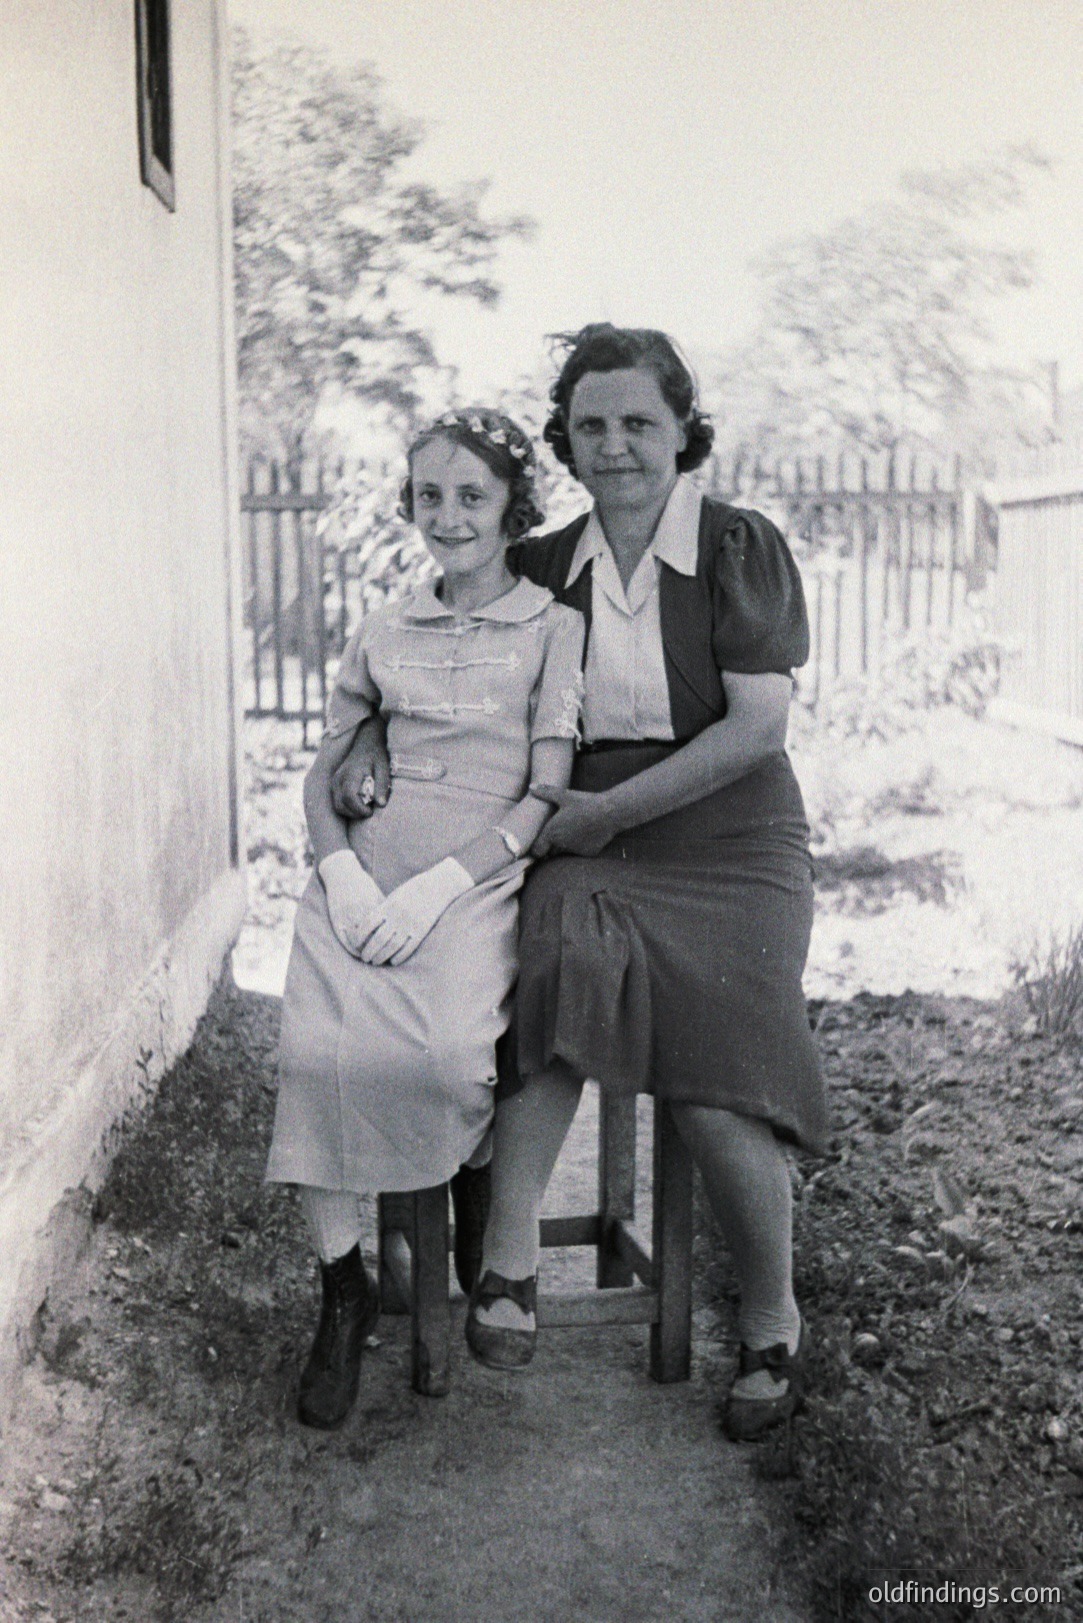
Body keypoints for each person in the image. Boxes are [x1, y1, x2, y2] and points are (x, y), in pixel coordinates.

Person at [334, 325, 827, 1441]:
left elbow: (756, 728)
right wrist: (363, 740)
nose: (615, 447)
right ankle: (508, 1267)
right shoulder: (547, 564)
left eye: (639, 424)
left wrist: (611, 817)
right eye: (592, 425)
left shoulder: (740, 549)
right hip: (580, 820)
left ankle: (771, 1319)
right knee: (553, 956)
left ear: (681, 433)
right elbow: (424, 664)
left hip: (730, 836)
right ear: (566, 438)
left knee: (712, 1072)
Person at [266, 408, 585, 1430]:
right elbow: (329, 772)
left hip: (474, 877)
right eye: (429, 496)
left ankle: (475, 1207)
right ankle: (344, 1288)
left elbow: (543, 797)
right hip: (364, 872)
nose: (448, 517)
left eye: (472, 496)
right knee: (315, 1057)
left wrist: (442, 887)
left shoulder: (551, 627)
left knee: (449, 1059)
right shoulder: (385, 624)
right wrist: (344, 875)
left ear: (512, 509)